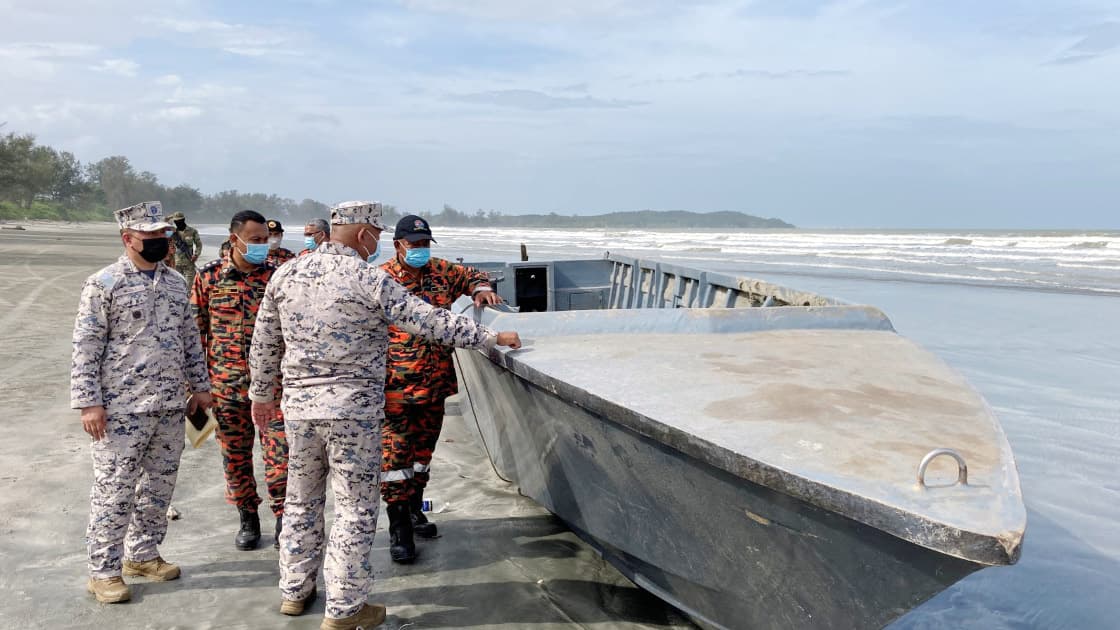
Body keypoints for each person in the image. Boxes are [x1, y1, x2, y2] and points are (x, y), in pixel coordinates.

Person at [248, 200, 521, 629]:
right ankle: (346, 609)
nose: (375, 243)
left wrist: (260, 397)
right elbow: (428, 320)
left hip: (298, 413)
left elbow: (264, 343)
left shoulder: (286, 273)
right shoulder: (366, 277)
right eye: (376, 236)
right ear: (364, 235)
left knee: (301, 503)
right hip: (352, 414)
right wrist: (488, 335)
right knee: (355, 510)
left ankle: (295, 593)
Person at [71, 201, 212, 604]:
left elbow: (189, 338)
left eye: (162, 236)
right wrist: (88, 403)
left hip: (170, 404)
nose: (159, 243)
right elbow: (86, 346)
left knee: (158, 488)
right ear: (127, 238)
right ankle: (103, 572)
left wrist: (200, 386)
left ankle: (143, 554)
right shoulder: (104, 283)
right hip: (121, 408)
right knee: (114, 491)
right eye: (150, 237)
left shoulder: (174, 283)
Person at [379, 214, 501, 562]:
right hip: (396, 390)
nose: (420, 251)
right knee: (395, 461)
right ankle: (399, 529)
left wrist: (481, 289)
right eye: (414, 245)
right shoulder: (383, 278)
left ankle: (416, 510)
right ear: (398, 245)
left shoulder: (442, 271)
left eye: (424, 245)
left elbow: (474, 275)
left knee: (421, 457)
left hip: (434, 386)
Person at [191, 210, 288, 551]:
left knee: (281, 458)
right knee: (235, 458)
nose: (264, 246)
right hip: (225, 388)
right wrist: (196, 386)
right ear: (235, 239)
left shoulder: (278, 278)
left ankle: (282, 520)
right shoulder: (209, 277)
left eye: (266, 239)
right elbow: (196, 332)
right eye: (257, 240)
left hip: (274, 390)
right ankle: (248, 518)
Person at [167, 211, 203, 286]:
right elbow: (164, 225)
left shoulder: (192, 231)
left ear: (183, 220)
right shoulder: (172, 233)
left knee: (189, 287)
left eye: (179, 221)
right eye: (175, 221)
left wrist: (196, 255)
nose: (177, 223)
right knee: (177, 287)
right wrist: (170, 217)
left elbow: (199, 245)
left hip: (189, 263)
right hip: (176, 264)